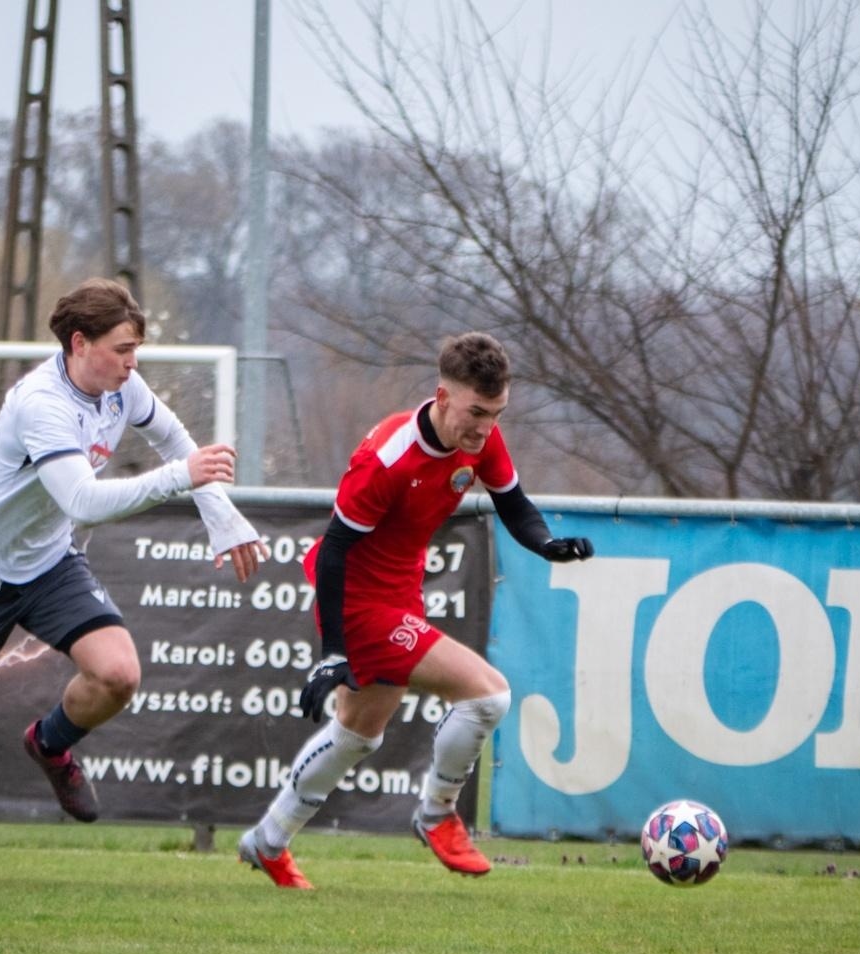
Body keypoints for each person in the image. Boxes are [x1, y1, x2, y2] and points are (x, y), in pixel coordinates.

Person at [0, 278, 268, 876]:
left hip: (48, 564)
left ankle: (49, 743)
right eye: (123, 349)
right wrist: (184, 476)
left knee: (118, 673)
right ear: (80, 343)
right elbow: (85, 501)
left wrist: (223, 518)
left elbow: (176, 442)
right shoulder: (40, 402)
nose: (133, 363)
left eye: (136, 350)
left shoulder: (121, 387)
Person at [238, 332, 594, 889]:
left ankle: (268, 840)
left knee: (359, 732)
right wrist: (332, 653)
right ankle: (436, 814)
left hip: (400, 588)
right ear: (443, 396)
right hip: (357, 597)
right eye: (477, 412)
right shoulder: (387, 457)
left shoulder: (481, 440)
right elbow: (333, 552)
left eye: (496, 414)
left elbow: (515, 505)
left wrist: (546, 543)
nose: (485, 428)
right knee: (487, 695)